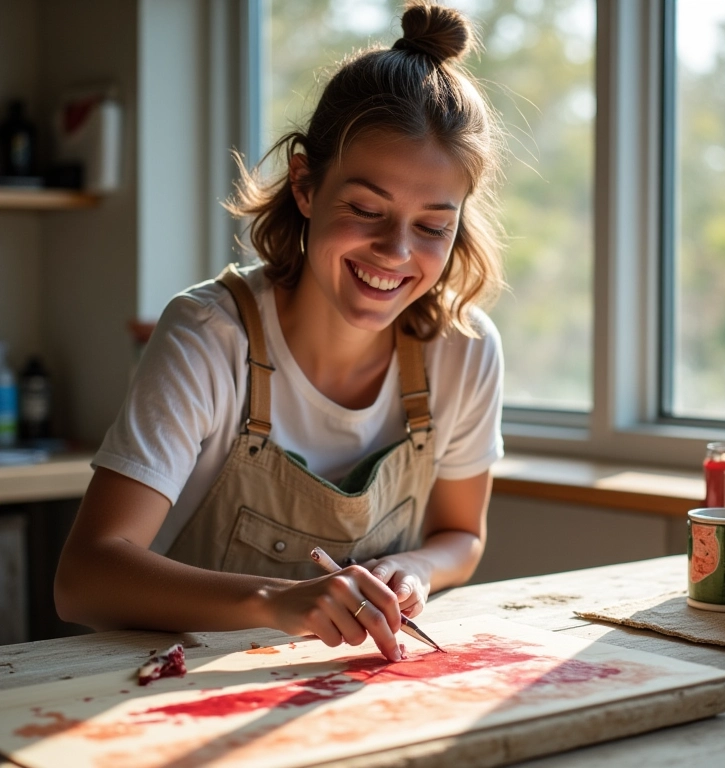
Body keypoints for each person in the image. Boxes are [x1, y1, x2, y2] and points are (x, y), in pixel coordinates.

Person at [55, 0, 506, 664]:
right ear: (303, 184)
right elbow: (84, 579)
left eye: (433, 225)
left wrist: (416, 568)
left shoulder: (464, 349)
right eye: (365, 209)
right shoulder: (209, 335)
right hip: (174, 691)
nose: (395, 251)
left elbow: (461, 534)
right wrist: (276, 602)